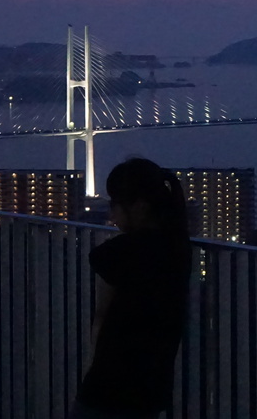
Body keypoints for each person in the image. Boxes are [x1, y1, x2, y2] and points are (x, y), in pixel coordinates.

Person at [74, 158, 193, 419]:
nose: (111, 214)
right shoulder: (178, 247)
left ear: (138, 207)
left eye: (114, 204)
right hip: (152, 386)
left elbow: (101, 263)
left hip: (111, 386)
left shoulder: (124, 252)